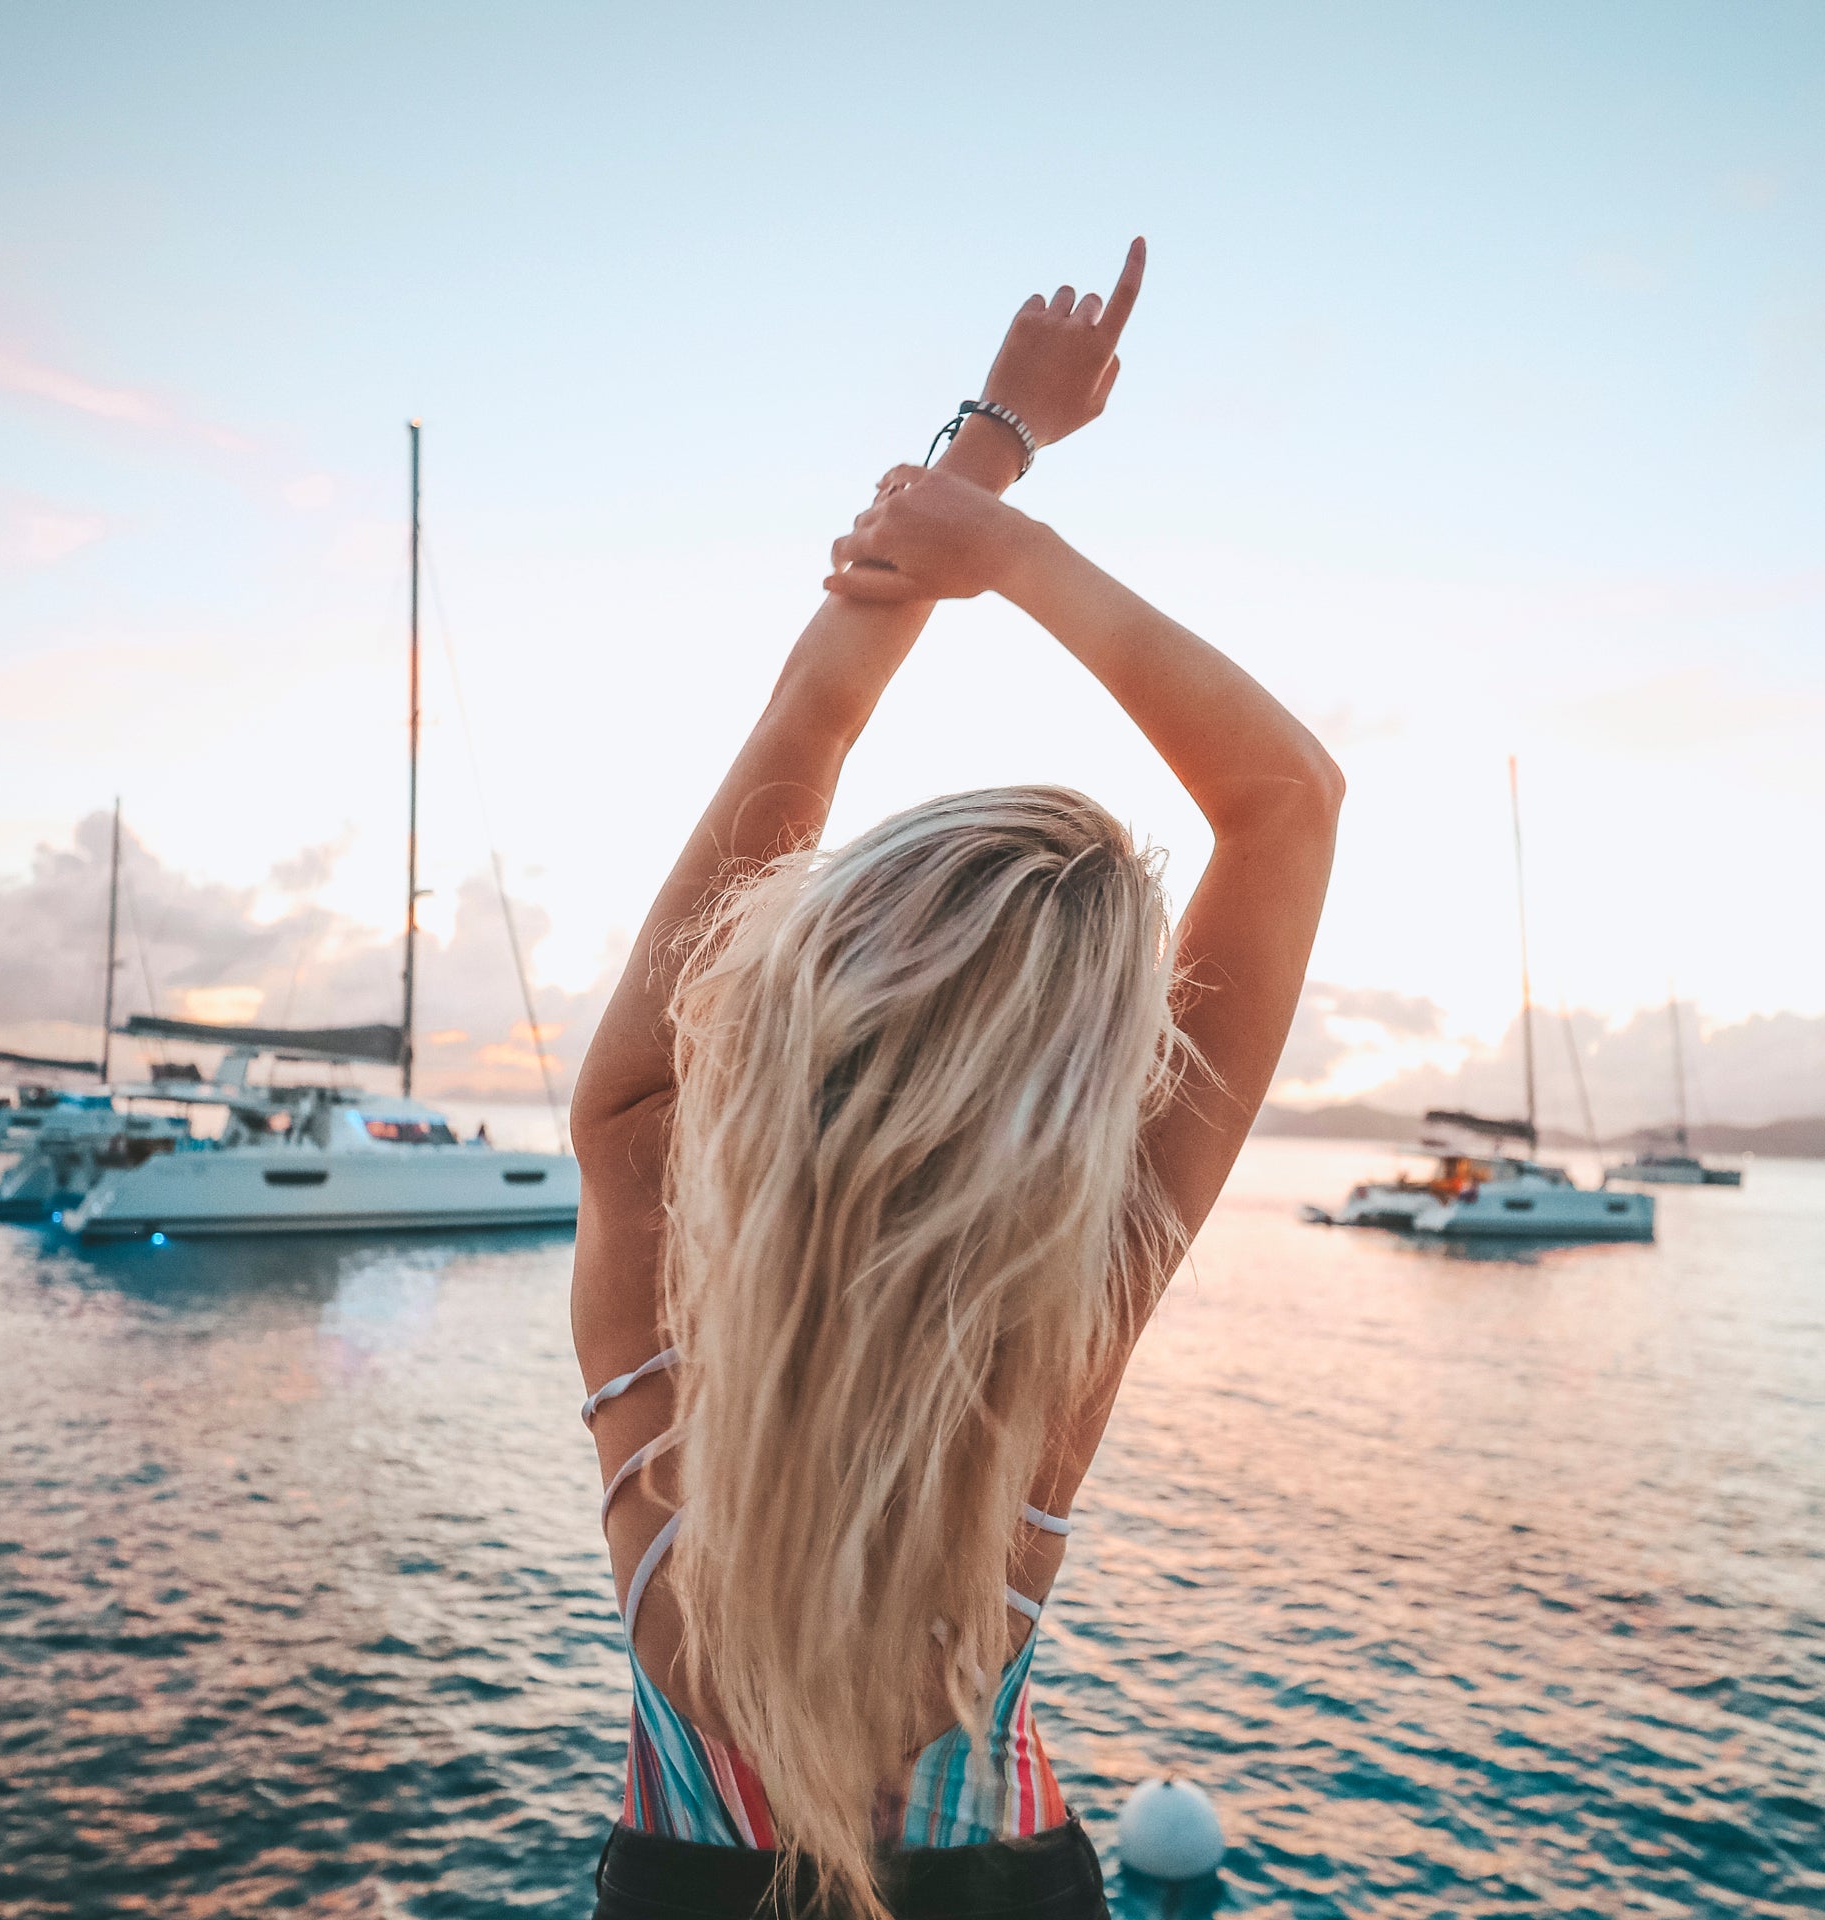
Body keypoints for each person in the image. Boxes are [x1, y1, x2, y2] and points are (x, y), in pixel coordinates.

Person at [571, 239, 1343, 1920]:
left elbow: (804, 735)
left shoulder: (644, 1223)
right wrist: (1008, 540)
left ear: (786, 997)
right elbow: (1285, 798)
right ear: (1073, 1104)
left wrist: (986, 450)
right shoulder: (1058, 1335)